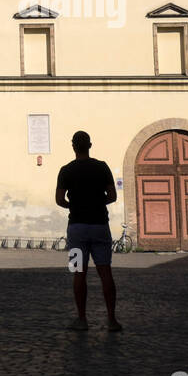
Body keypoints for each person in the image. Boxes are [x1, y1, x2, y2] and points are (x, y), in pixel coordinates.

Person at [55, 130, 122, 331]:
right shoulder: (102, 168)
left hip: (76, 228)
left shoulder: (66, 170)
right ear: (90, 145)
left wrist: (74, 206)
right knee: (105, 272)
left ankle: (82, 319)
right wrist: (96, 202)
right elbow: (112, 196)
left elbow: (59, 199)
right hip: (100, 226)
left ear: (73, 146)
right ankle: (111, 320)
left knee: (78, 273)